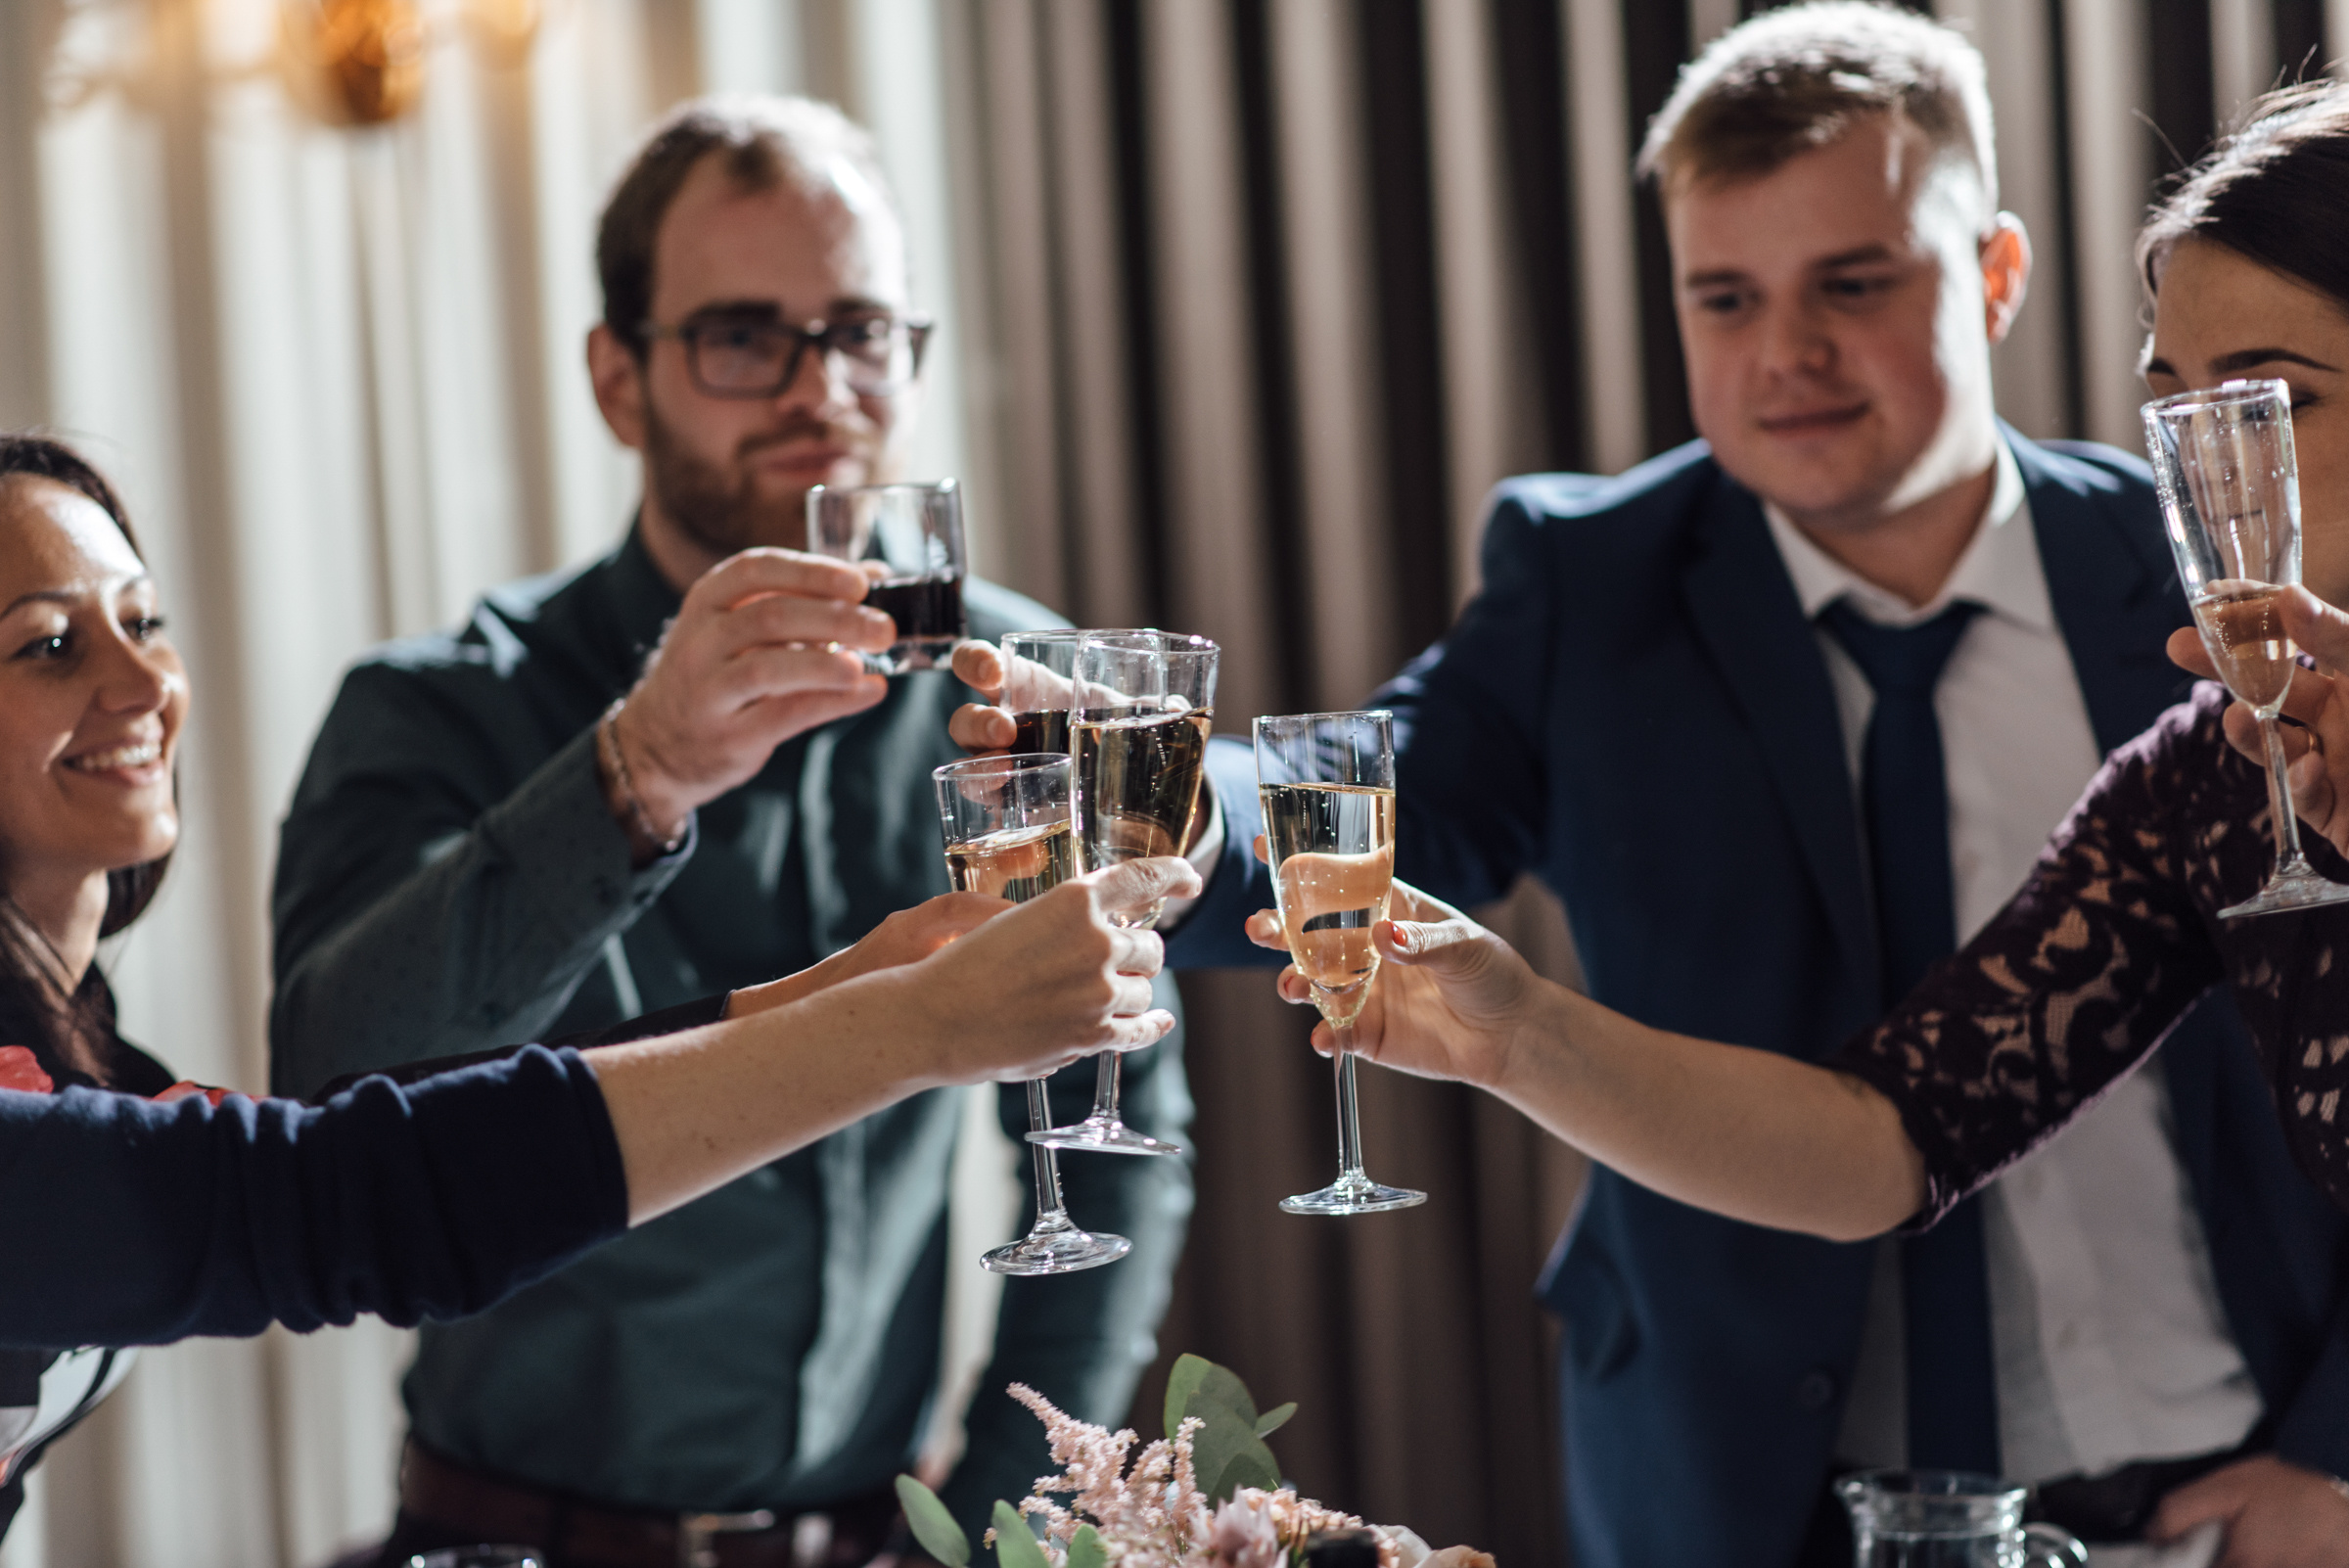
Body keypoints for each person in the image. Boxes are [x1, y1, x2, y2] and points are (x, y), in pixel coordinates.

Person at [949, 8, 2349, 1565]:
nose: (1784, 354)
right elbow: (1888, 1127)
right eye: (1725, 297)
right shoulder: (2190, 772)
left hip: (2231, 1462)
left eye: (1854, 282)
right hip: (1759, 1488)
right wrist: (1158, 805)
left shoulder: (2174, 568)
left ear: (1997, 275)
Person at [269, 94, 1192, 1566]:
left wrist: (1008, 1520)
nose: (822, 387)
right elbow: (321, 1094)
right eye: (744, 337)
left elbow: (1118, 1135)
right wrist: (633, 769)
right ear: (619, 379)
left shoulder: (1022, 685)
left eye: (865, 330)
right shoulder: (438, 706)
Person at [0, 431, 1193, 1548]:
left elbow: (341, 1156)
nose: (142, 683)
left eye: (146, 622)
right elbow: (335, 1182)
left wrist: (853, 992)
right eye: (49, 643)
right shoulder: (444, 699)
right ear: (619, 376)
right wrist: (900, 1026)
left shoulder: (69, 1036)